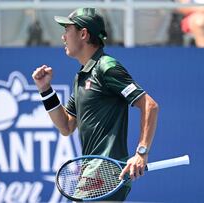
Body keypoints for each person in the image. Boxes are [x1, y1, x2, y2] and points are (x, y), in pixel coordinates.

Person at [32, 8, 159, 201]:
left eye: (67, 30)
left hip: (105, 173)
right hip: (93, 173)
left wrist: (141, 153)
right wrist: (45, 90)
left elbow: (149, 105)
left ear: (83, 34)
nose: (63, 36)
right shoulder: (82, 76)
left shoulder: (106, 67)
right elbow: (66, 126)